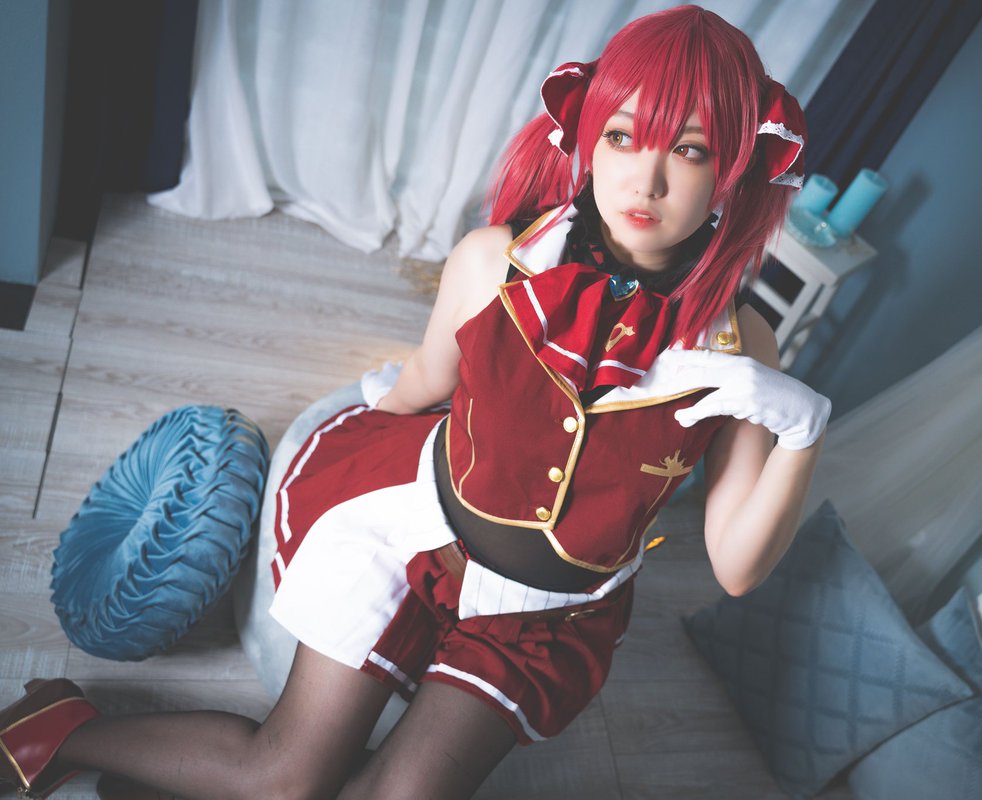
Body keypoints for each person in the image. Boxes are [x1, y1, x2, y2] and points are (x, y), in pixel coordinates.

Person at [0, 5, 831, 799]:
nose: (645, 178)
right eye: (621, 135)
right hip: (416, 535)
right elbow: (431, 380)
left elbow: (735, 568)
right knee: (284, 781)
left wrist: (802, 430)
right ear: (587, 135)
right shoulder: (494, 260)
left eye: (689, 151)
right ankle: (62, 731)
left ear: (730, 170)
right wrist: (366, 413)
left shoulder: (739, 345)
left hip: (543, 620)